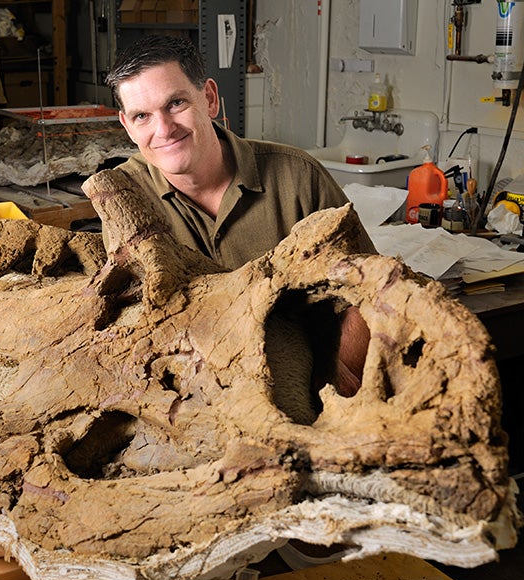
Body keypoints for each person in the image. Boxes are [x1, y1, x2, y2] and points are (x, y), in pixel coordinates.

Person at [105, 34, 369, 399]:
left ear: (209, 98)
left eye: (176, 103)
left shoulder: (298, 177)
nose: (163, 129)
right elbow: (139, 328)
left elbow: (369, 297)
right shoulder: (124, 198)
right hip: (197, 397)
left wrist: (330, 391)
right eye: (142, 116)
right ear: (127, 125)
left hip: (316, 385)